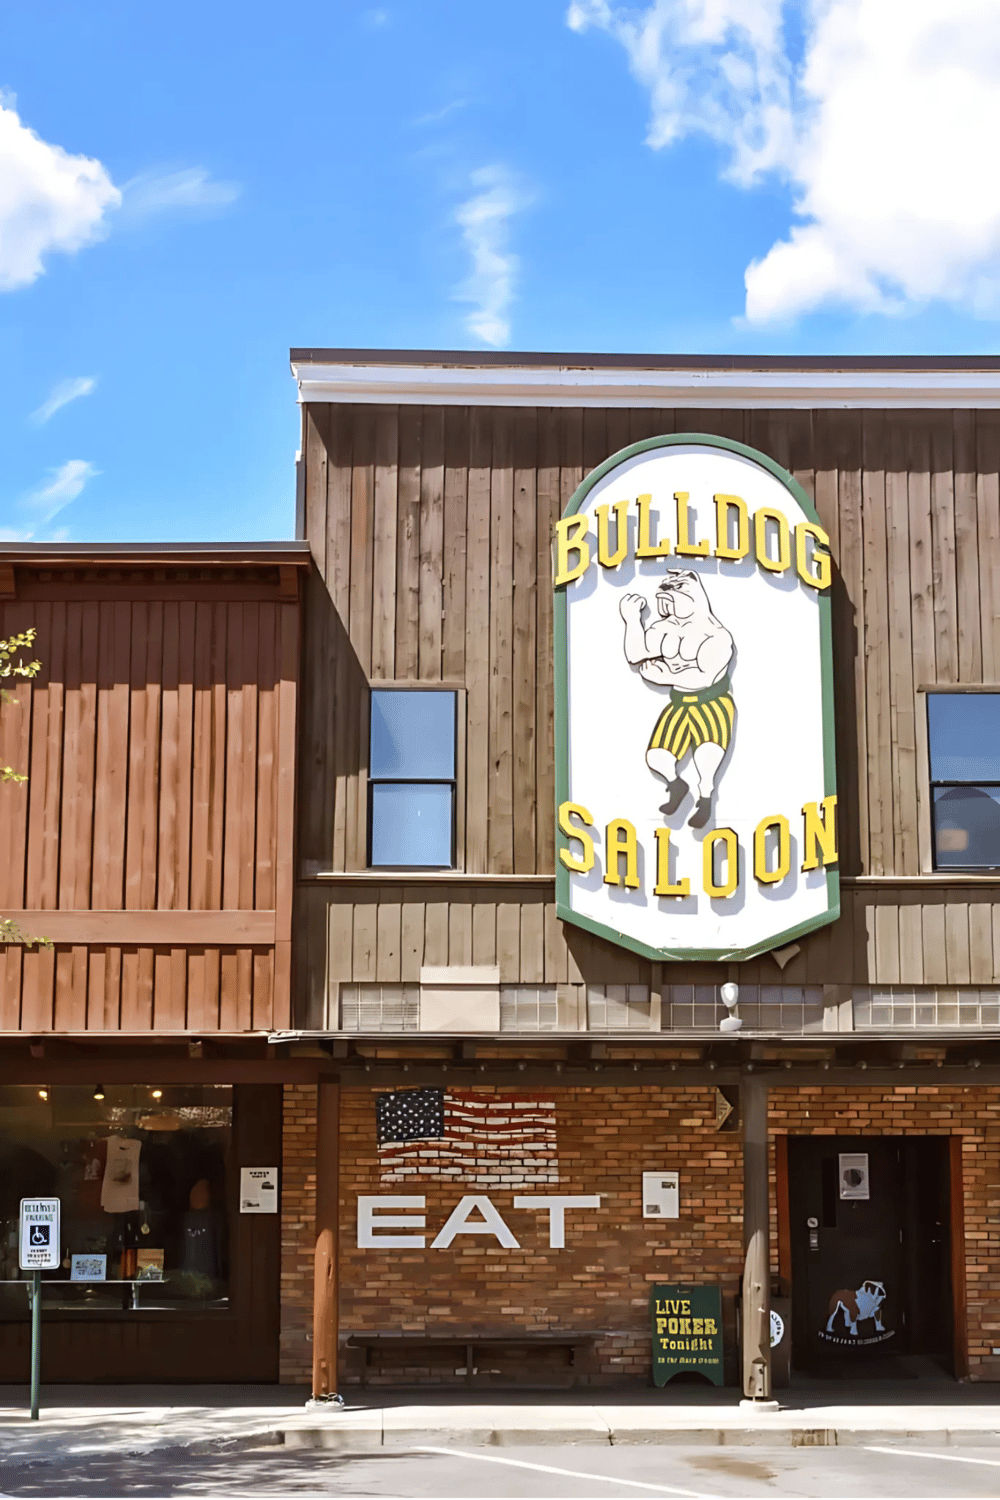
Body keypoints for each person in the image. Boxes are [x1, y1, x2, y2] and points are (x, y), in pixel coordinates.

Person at [620, 568, 736, 830]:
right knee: (657, 756)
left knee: (707, 756)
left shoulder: (717, 635)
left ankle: (705, 798)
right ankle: (676, 785)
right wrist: (632, 620)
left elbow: (706, 676)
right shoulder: (663, 629)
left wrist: (666, 676)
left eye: (674, 596)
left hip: (711, 703)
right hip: (680, 703)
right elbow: (636, 654)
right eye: (664, 599)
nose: (667, 606)